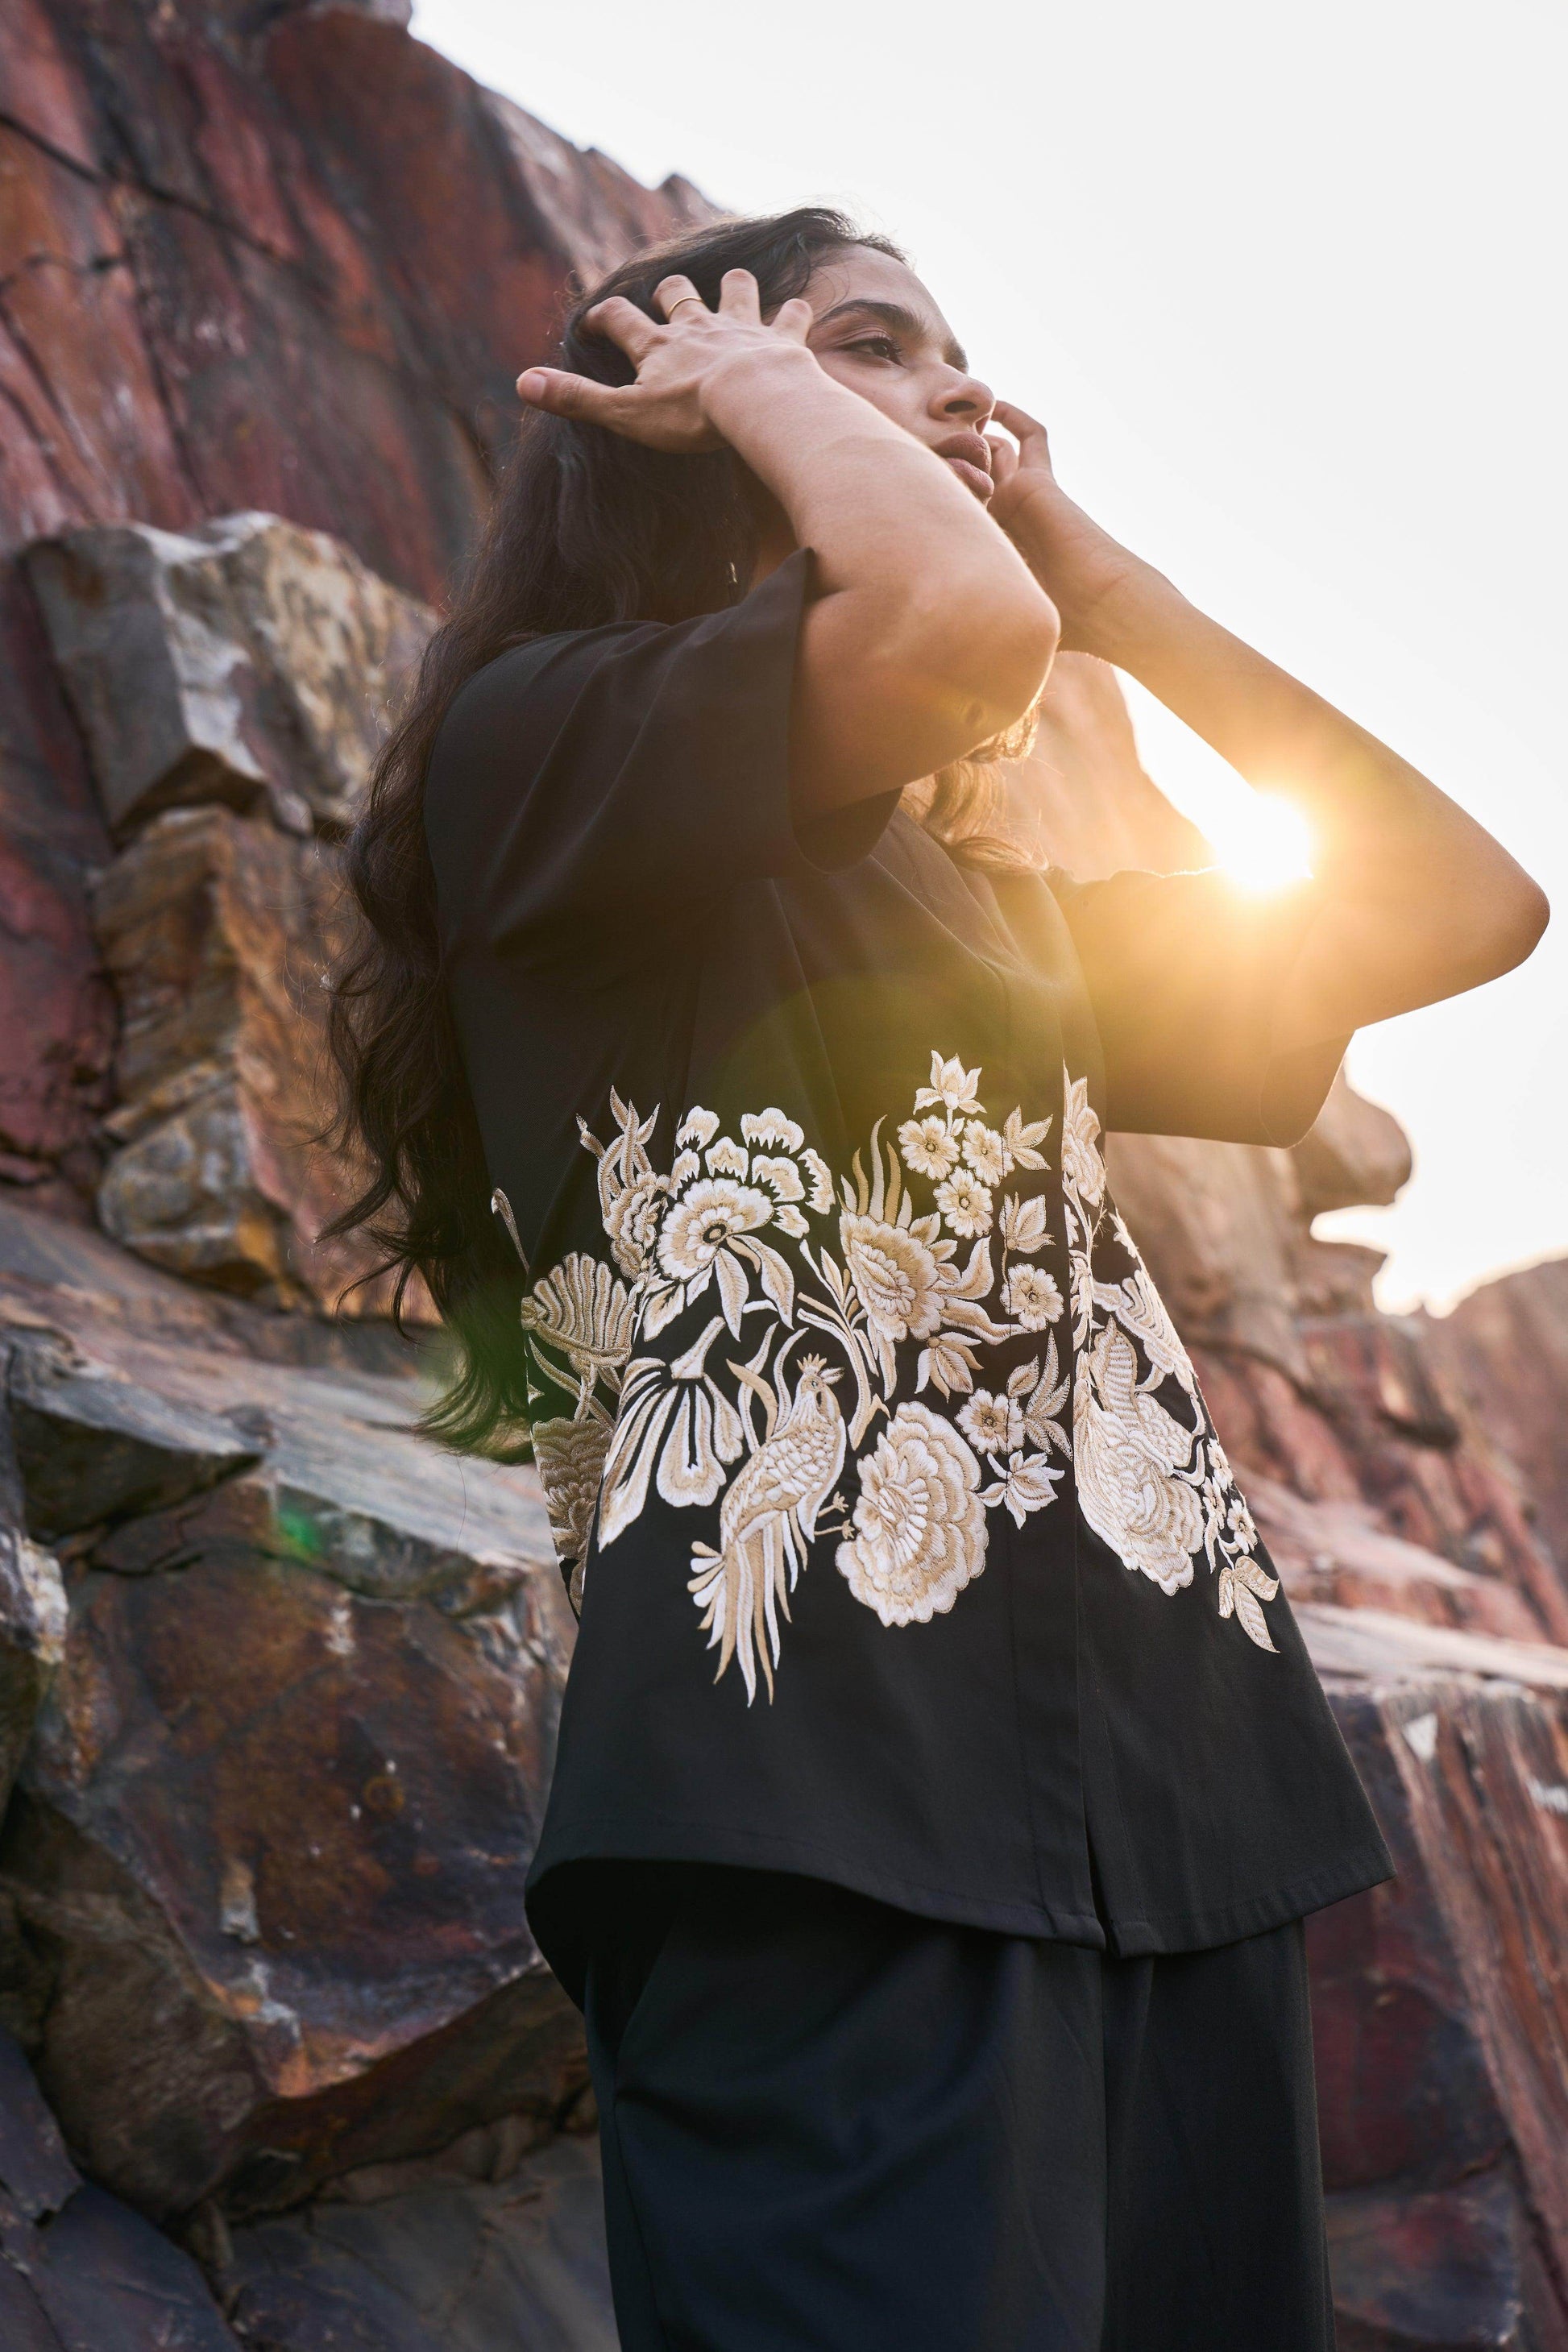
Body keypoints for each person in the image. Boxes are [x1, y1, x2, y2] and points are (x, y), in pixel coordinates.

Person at [328, 207, 1547, 2351]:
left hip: (1183, 1814)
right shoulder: (542, 749)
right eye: (877, 343)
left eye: (957, 354)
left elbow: (1458, 902)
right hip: (810, 1796)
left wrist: (1113, 592)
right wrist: (773, 389)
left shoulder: (996, 911)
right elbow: (950, 635)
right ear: (685, 402)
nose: (965, 390)